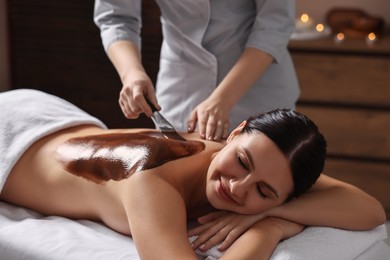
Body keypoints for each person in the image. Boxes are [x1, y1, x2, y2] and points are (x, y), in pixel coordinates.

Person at [0, 89, 385, 259]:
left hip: (65, 127)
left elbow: (370, 210)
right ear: (235, 132)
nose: (237, 187)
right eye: (243, 162)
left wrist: (267, 219)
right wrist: (269, 229)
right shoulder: (152, 180)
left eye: (265, 192)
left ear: (288, 196)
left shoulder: (270, 167)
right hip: (12, 136)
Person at [93, 0, 300, 141]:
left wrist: (223, 99)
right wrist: (131, 73)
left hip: (258, 89)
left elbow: (274, 25)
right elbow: (115, 17)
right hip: (180, 91)